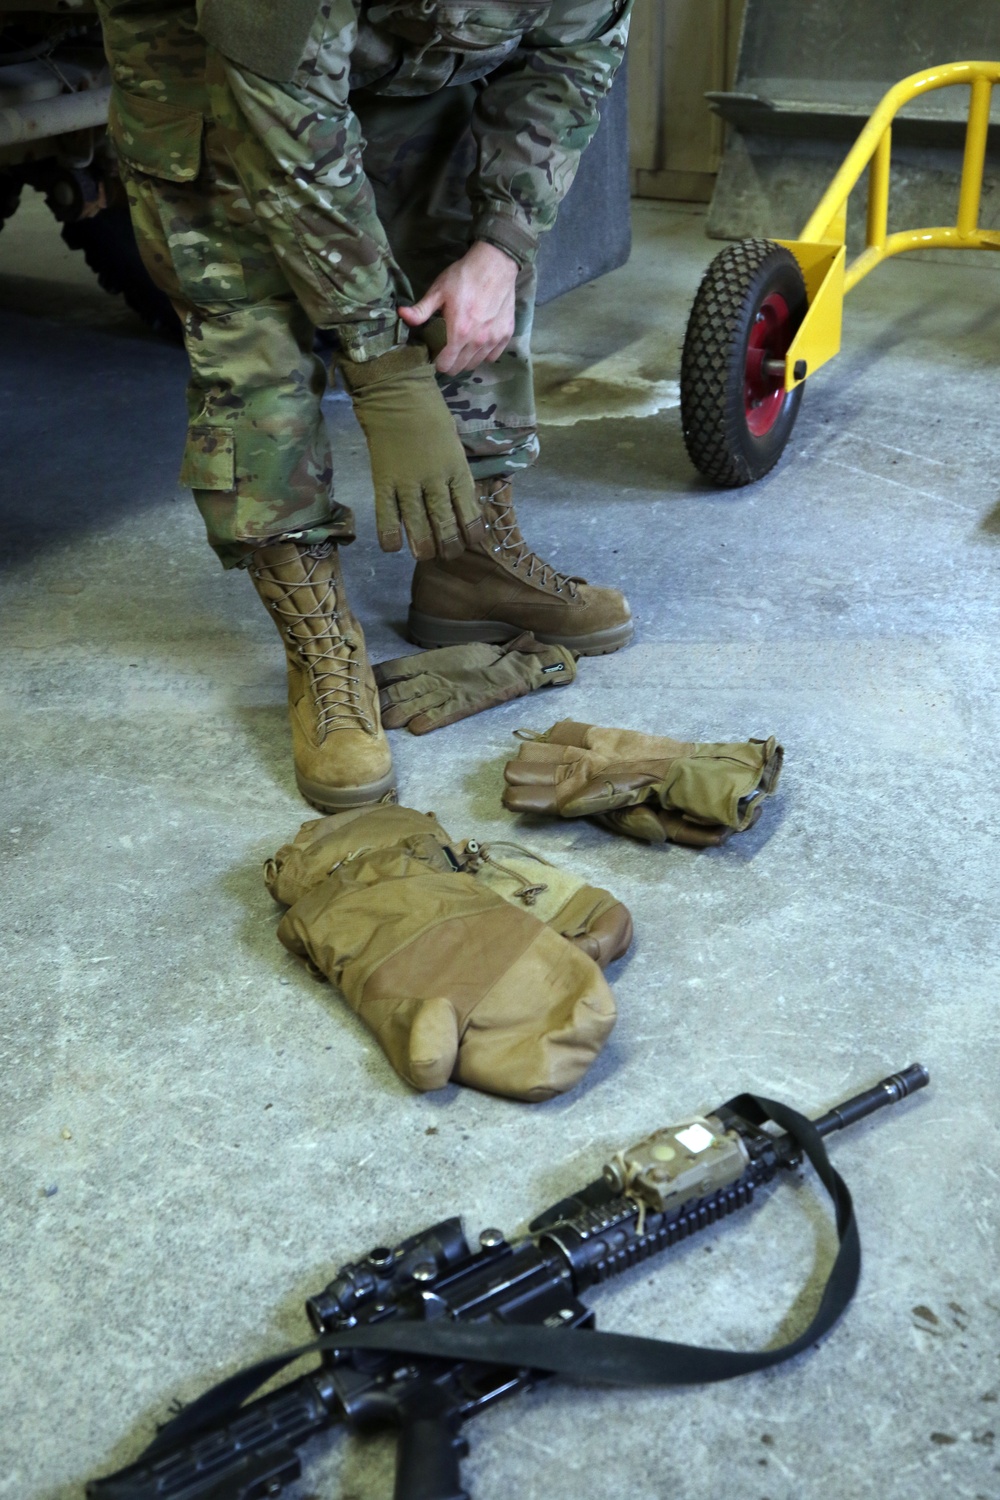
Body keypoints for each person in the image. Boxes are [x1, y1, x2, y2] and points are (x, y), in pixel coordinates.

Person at [95, 0, 634, 811]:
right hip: (212, 73)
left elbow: (572, 57)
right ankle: (320, 643)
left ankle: (468, 564)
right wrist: (383, 368)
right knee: (256, 345)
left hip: (413, 58)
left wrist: (501, 245)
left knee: (463, 263)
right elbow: (291, 135)